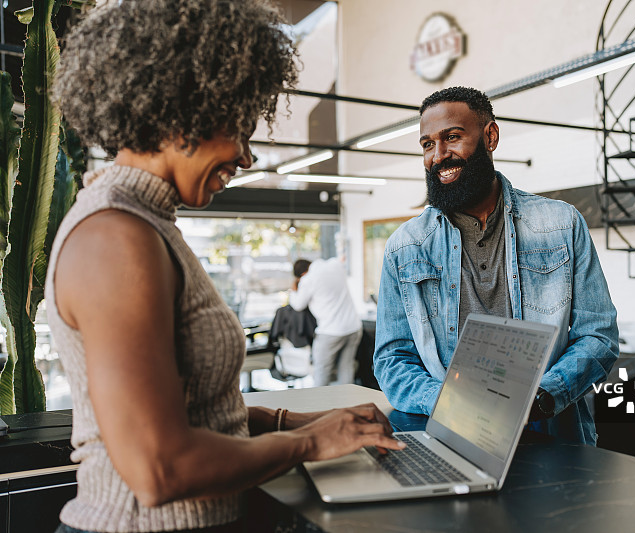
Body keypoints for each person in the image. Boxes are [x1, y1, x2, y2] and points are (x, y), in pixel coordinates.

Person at [46, 2, 403, 532]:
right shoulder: (115, 238)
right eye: (240, 126)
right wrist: (309, 442)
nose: (247, 156)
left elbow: (202, 415)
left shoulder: (147, 223)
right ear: (182, 108)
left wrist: (305, 421)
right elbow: (158, 469)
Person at [373, 86, 619, 446]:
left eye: (452, 138)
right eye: (427, 144)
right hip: (451, 431)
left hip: (553, 430)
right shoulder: (405, 247)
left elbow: (598, 336)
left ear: (490, 136)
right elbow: (393, 359)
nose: (439, 155)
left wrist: (540, 397)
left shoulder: (561, 224)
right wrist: (449, 402)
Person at [289, 258, 363, 386]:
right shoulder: (335, 264)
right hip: (353, 327)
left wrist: (293, 290)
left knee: (322, 372)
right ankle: (348, 403)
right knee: (346, 368)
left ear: (301, 275)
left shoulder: (308, 279)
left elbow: (298, 304)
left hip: (330, 331)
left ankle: (319, 405)